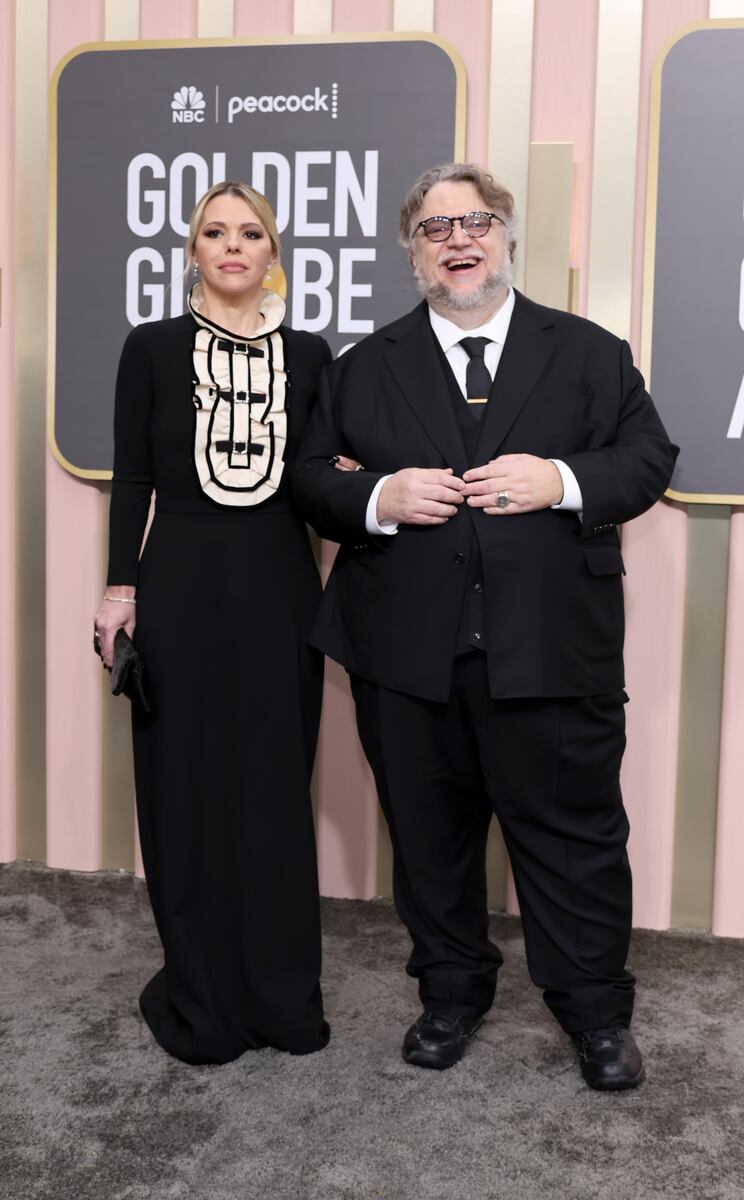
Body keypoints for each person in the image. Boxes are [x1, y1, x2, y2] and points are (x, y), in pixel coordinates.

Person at [292, 162, 678, 1091]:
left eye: (476, 222)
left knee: (575, 840)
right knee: (428, 840)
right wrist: (378, 493)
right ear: (413, 251)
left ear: (506, 235)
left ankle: (595, 1017)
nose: (459, 240)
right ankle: (451, 994)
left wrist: (564, 481)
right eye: (436, 228)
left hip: (552, 648)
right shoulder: (362, 366)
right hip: (404, 652)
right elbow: (311, 476)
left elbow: (648, 458)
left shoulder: (590, 351)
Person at [94, 181, 354, 1065]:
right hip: (181, 588)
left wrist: (354, 476)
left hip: (283, 587)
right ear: (193, 251)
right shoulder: (153, 348)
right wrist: (119, 590)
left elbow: (319, 486)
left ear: (272, 251)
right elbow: (134, 478)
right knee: (187, 788)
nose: (233, 245)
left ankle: (281, 997)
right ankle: (202, 991)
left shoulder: (313, 354)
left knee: (275, 789)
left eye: (251, 233)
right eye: (215, 232)